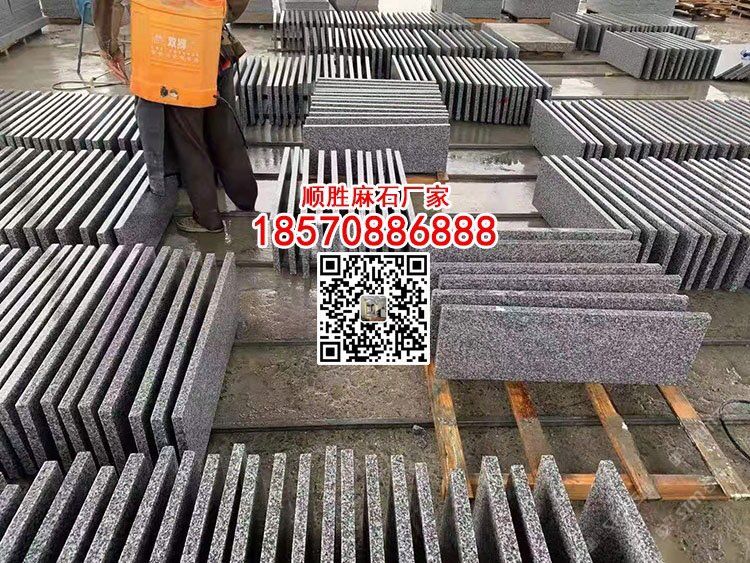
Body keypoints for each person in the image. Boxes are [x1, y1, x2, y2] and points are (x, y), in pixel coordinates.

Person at [94, 0, 258, 233]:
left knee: (189, 140)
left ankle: (208, 219)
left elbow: (106, 3)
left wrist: (108, 46)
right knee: (223, 130)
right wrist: (217, 14)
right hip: (212, 41)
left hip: (169, 48)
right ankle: (246, 201)